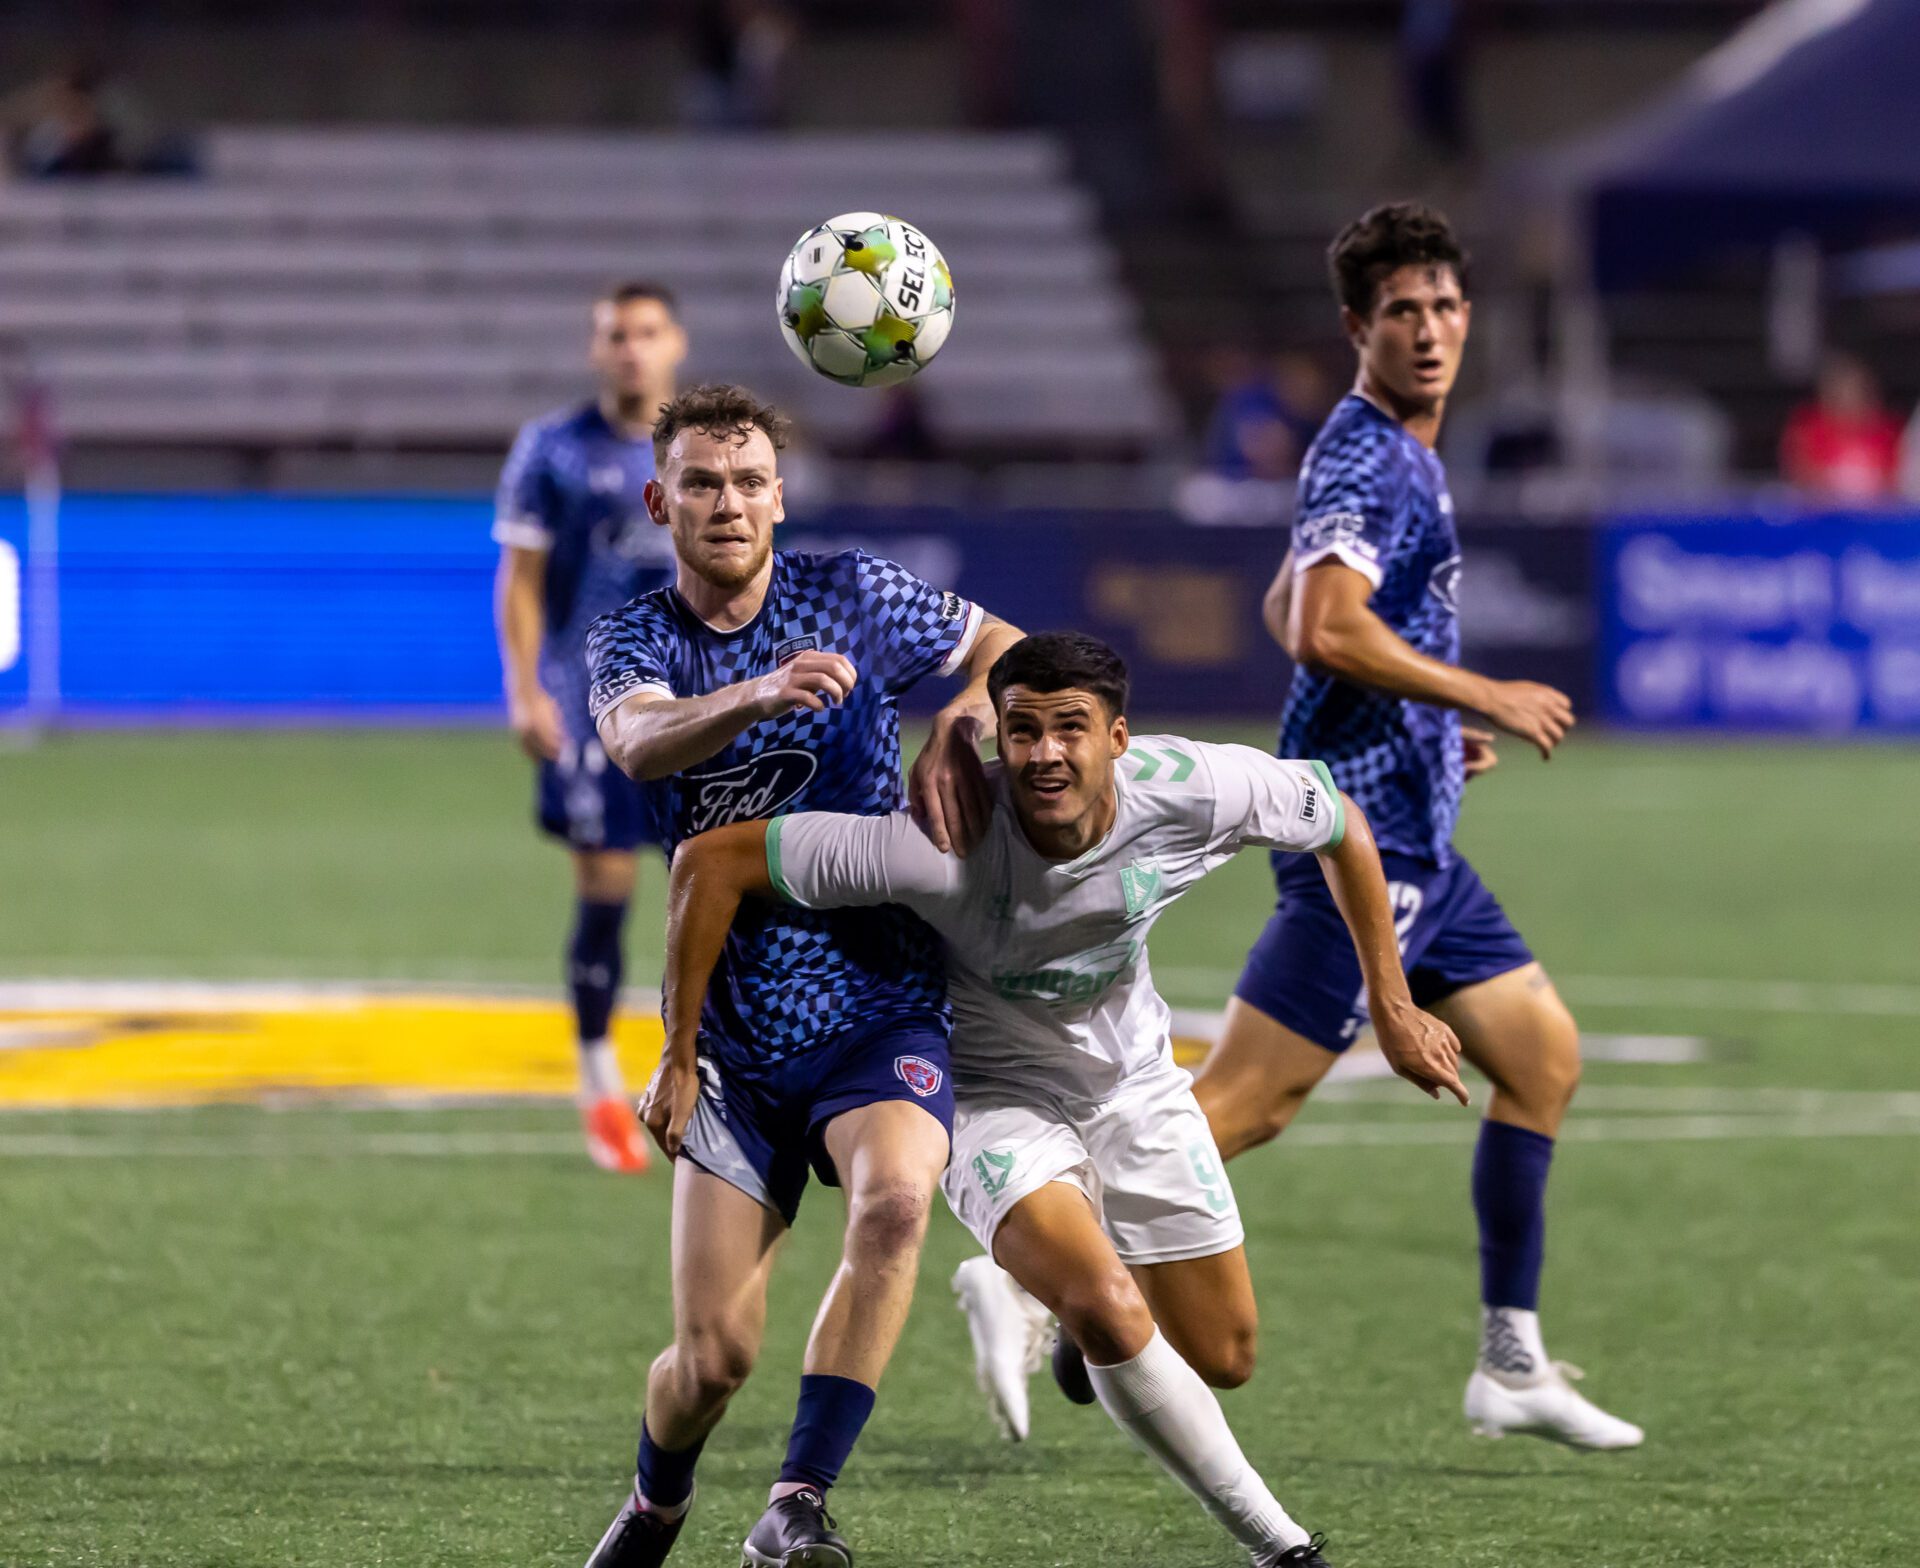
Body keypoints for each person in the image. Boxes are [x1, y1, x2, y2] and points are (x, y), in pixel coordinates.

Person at [656, 631, 1467, 1568]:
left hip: (1137, 1085)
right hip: (991, 1097)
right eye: (1024, 730)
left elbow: (1338, 821)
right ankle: (1283, 1549)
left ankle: (1024, 1292)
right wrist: (681, 1051)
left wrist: (1394, 1004)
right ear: (997, 737)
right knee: (1112, 1305)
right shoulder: (934, 841)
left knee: (1224, 1354)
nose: (1045, 754)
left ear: (1118, 739)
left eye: (1071, 730)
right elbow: (714, 863)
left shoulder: (1194, 788)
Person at [1189, 202, 1644, 1450]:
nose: (1431, 328)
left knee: (1542, 1059)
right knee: (1244, 1108)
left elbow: (1293, 608)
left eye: (1445, 306)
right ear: (1358, 326)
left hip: (1417, 838)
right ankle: (1032, 1270)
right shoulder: (1368, 453)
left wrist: (1439, 735)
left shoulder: (1398, 449)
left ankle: (1511, 1361)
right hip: (1358, 842)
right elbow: (1330, 627)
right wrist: (1479, 689)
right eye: (1403, 311)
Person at [577, 382, 1022, 1568]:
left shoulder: (854, 591)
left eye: (752, 482)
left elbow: (1001, 645)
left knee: (895, 1201)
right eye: (705, 484)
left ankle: (797, 1502)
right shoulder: (634, 632)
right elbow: (635, 740)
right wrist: (759, 691)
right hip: (727, 1033)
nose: (730, 504)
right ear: (659, 498)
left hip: (881, 998)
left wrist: (963, 719)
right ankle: (656, 1500)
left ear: (782, 495)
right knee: (710, 1360)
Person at [493, 280, 688, 1173]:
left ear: (674, 343)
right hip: (592, 703)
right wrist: (526, 689)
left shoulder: (706, 446)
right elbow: (522, 579)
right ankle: (598, 1073)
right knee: (608, 887)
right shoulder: (553, 451)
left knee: (717, 888)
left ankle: (705, 1068)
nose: (631, 349)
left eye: (646, 333)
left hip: (701, 700)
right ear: (594, 348)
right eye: (615, 334)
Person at [1780, 351, 1902, 502]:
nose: (1850, 400)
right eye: (1843, 392)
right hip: (1823, 518)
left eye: (1858, 391)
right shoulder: (1808, 430)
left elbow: (1899, 481)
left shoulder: (1888, 432)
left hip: (1873, 519)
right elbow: (1799, 476)